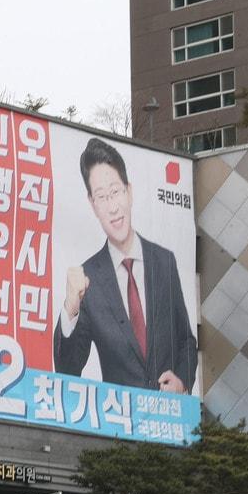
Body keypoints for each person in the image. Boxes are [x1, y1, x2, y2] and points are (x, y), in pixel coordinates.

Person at [53, 137, 197, 393]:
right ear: (93, 205)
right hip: (117, 425)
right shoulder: (89, 280)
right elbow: (67, 369)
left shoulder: (164, 262)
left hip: (167, 423)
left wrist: (182, 381)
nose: (112, 206)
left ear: (129, 191)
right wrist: (70, 308)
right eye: (102, 197)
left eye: (115, 191)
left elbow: (185, 339)